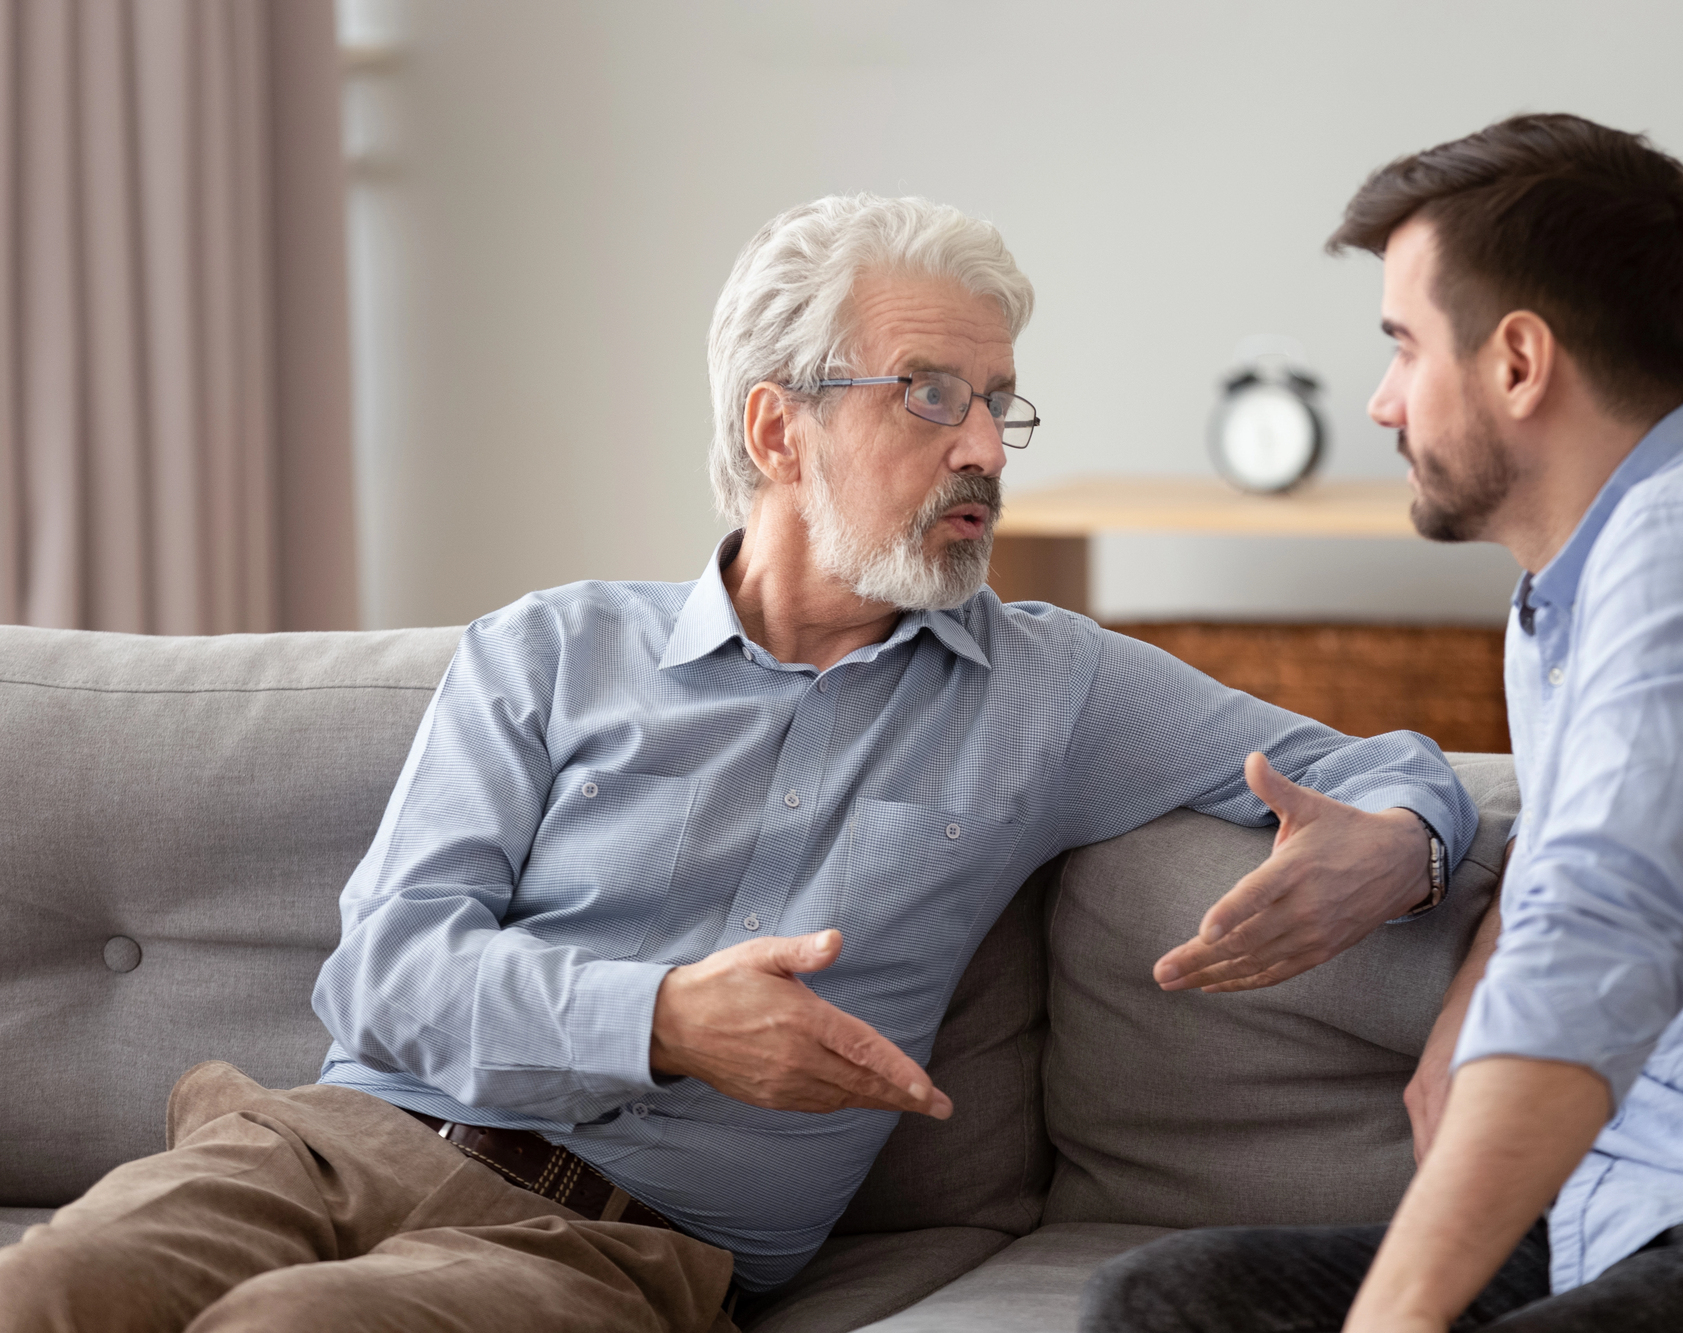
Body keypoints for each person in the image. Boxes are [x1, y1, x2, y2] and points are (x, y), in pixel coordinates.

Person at [0, 194, 1477, 1333]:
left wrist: (1402, 842)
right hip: (330, 1139)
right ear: (779, 426)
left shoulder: (1055, 686)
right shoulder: (552, 650)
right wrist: (666, 1020)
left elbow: (1405, 766)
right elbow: (383, 976)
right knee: (56, 1287)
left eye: (996, 400)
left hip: (612, 1247)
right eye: (927, 394)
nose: (986, 450)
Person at [1083, 114, 1683, 1332]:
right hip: (1636, 1215)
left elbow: (1603, 943)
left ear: (1516, 362)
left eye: (1403, 347)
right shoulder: (1572, 585)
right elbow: (1595, 841)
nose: (1378, 403)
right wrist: (1468, 995)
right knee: (1165, 1301)